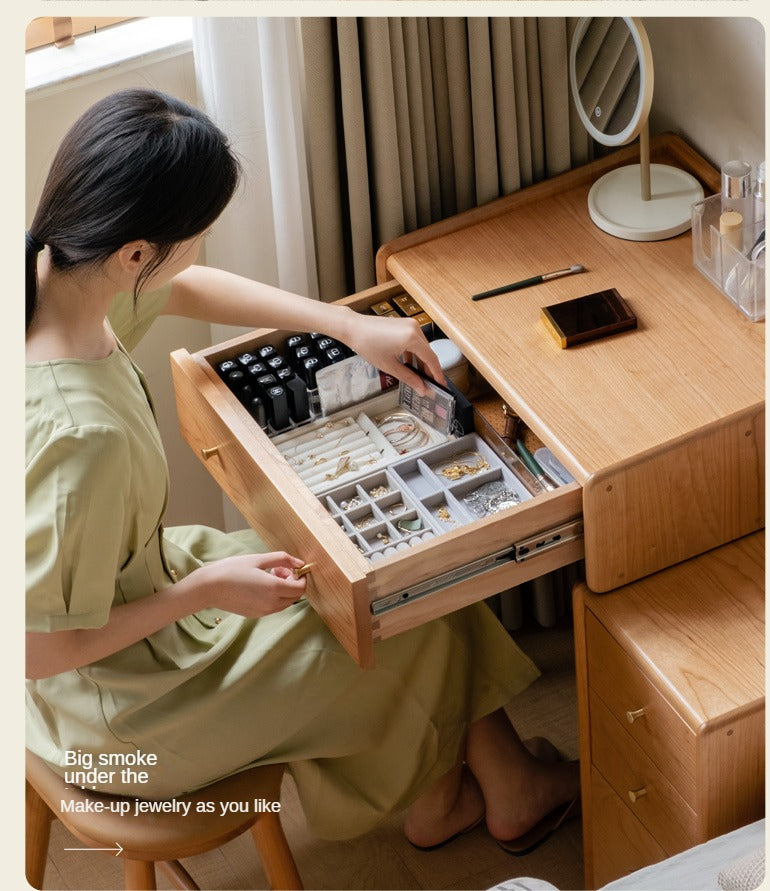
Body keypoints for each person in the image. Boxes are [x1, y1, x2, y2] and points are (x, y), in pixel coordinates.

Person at [25, 88, 579, 852]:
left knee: (394, 574)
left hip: (135, 598)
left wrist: (342, 322)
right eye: (194, 236)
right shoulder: (79, 437)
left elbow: (179, 287)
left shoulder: (54, 278)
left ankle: (483, 785)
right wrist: (208, 591)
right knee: (397, 618)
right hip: (120, 712)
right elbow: (36, 649)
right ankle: (476, 792)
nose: (198, 251)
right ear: (133, 255)